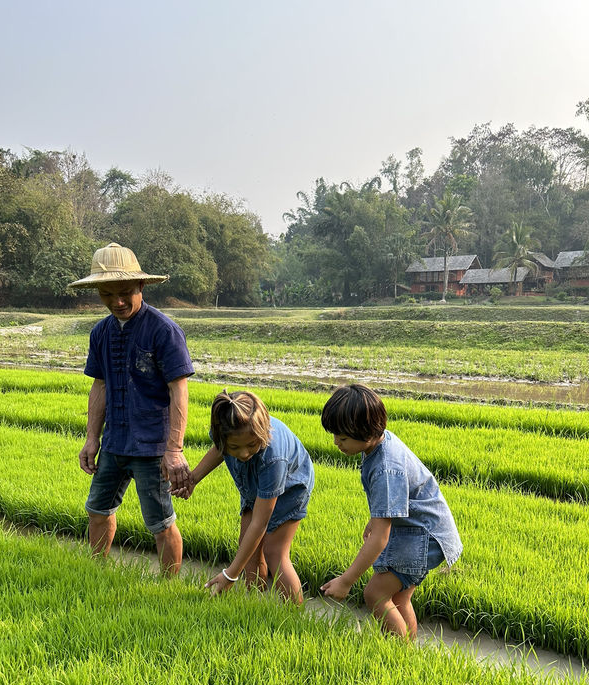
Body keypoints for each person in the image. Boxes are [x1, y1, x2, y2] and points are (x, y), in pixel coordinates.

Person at [68, 242, 194, 575]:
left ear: (140, 286)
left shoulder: (163, 330)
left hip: (152, 447)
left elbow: (178, 390)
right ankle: (97, 571)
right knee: (97, 509)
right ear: (98, 293)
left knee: (160, 522)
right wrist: (92, 438)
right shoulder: (101, 332)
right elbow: (100, 385)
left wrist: (174, 449)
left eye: (125, 292)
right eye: (107, 295)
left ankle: (169, 587)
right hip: (114, 442)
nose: (117, 302)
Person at [319, 384, 462, 639]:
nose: (336, 443)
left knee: (375, 594)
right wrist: (376, 518)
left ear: (369, 432)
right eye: (335, 436)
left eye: (342, 438)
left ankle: (398, 653)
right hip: (426, 530)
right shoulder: (378, 442)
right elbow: (392, 502)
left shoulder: (386, 468)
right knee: (398, 597)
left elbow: (380, 538)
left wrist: (346, 580)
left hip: (422, 536)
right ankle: (406, 651)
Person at [185, 390, 314, 603]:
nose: (244, 453)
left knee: (275, 552)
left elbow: (260, 523)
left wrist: (230, 574)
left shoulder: (273, 458)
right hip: (252, 480)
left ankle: (293, 615)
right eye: (234, 447)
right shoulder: (227, 430)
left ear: (262, 432)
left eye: (252, 445)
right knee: (248, 548)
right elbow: (219, 450)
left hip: (290, 488)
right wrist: (193, 479)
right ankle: (253, 601)